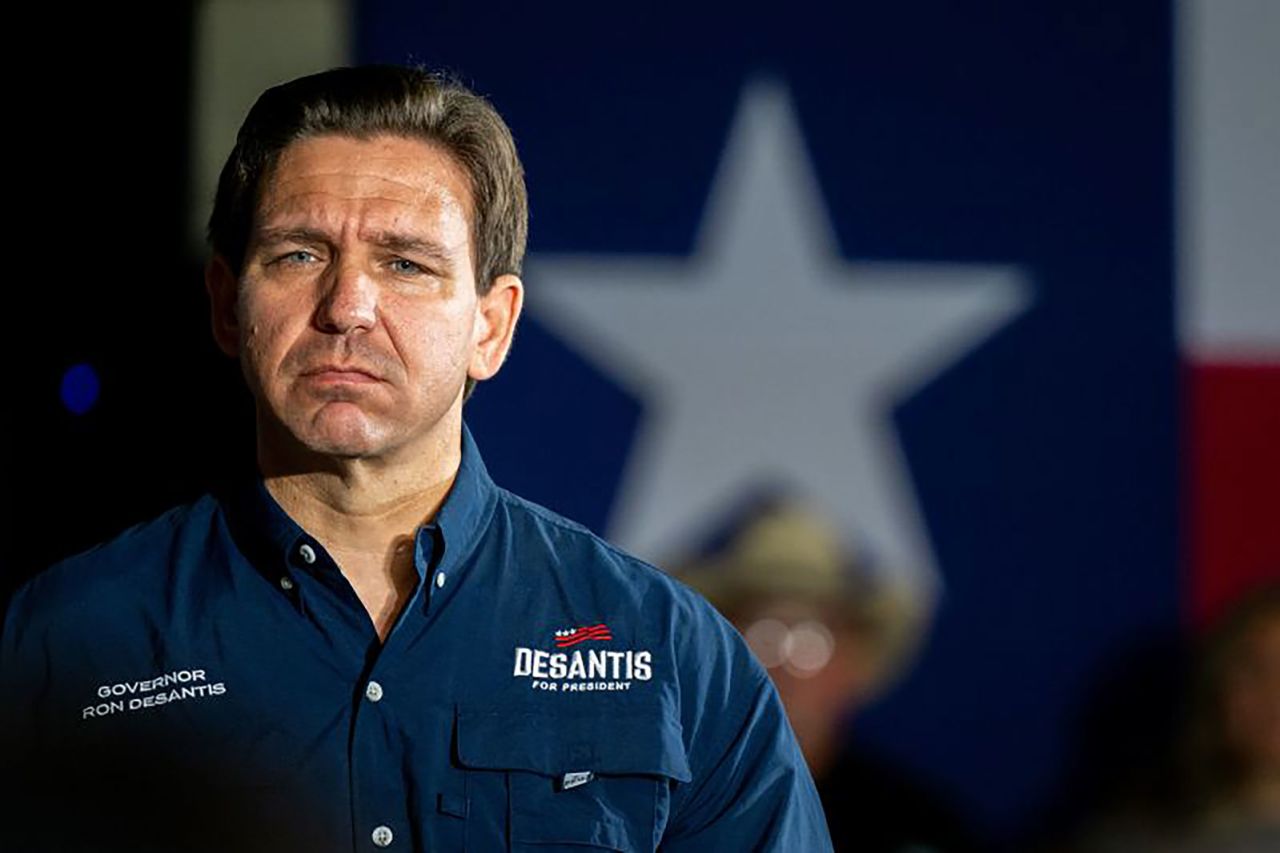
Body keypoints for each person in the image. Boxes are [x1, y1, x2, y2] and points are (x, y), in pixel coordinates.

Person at [0, 65, 831, 853]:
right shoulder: (64, 639)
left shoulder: (677, 655)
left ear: (492, 326)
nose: (347, 307)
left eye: (404, 263)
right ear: (226, 304)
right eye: (298, 254)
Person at [677, 496, 986, 853]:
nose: (785, 667)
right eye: (763, 636)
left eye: (812, 640)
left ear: (855, 662)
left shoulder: (920, 828)